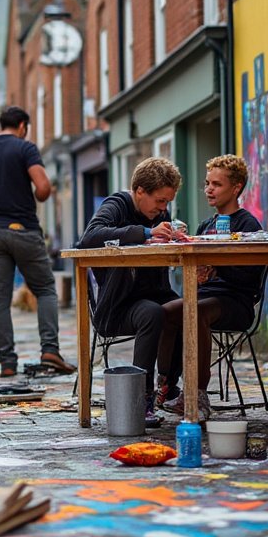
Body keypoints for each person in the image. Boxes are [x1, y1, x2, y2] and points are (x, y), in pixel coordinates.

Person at [0, 106, 78, 378]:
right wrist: (34, 191)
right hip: (23, 229)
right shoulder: (25, 148)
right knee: (45, 289)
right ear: (23, 126)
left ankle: (7, 362)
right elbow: (44, 187)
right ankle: (50, 349)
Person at [77, 157, 189, 427]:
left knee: (188, 307)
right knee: (152, 313)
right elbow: (89, 238)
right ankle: (141, 399)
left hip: (153, 292)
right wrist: (147, 232)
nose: (164, 208)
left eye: (167, 202)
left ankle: (168, 387)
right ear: (140, 191)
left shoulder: (159, 214)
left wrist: (172, 236)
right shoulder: (117, 204)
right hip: (117, 305)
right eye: (160, 201)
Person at [155, 155, 265, 417]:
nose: (209, 190)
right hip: (205, 296)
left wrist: (218, 268)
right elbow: (195, 275)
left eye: (216, 184)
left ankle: (198, 395)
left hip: (236, 302)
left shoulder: (248, 225)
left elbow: (251, 276)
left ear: (236, 188)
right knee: (163, 312)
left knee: (196, 313)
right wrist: (196, 273)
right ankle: (167, 385)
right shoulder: (206, 226)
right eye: (207, 183)